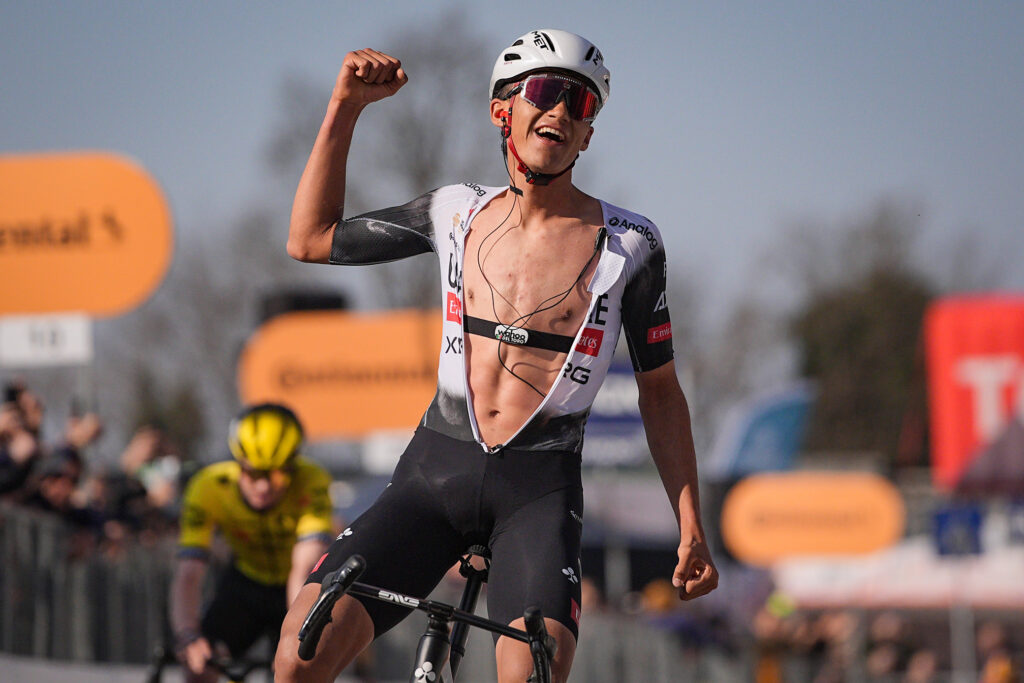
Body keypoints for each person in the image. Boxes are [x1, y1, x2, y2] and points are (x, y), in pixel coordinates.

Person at [275, 29, 718, 683]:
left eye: (581, 103)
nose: (561, 110)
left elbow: (660, 392)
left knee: (533, 672)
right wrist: (346, 106)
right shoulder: (455, 210)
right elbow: (309, 239)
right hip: (432, 478)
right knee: (299, 655)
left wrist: (691, 524)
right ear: (501, 110)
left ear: (588, 134)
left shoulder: (631, 244)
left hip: (538, 494)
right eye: (546, 91)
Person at [170, 403, 333, 682]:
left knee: (297, 669)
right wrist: (188, 637)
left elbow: (305, 567)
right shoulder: (208, 486)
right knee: (199, 667)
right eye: (254, 473)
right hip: (245, 584)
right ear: (238, 463)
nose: (263, 486)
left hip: (296, 588)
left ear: (293, 466)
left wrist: (297, 635)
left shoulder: (312, 479)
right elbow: (189, 574)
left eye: (277, 474)